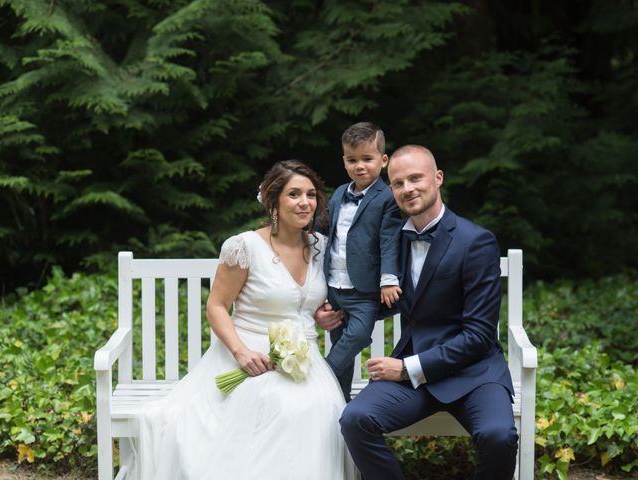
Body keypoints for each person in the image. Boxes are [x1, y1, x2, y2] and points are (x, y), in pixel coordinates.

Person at [135, 160, 357, 480]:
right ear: (273, 201)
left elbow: (304, 302)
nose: (305, 202)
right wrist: (241, 352)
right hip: (246, 355)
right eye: (294, 194)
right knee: (277, 407)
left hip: (304, 360)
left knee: (319, 411)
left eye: (310, 194)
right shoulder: (244, 247)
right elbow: (216, 306)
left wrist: (320, 314)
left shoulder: (321, 246)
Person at [319, 145, 518, 480]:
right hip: (414, 380)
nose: (407, 188)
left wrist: (406, 367)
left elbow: (480, 336)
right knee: (355, 420)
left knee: (499, 436)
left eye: (415, 178)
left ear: (437, 178)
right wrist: (337, 312)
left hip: (473, 374)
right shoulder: (394, 240)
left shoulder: (476, 241)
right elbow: (385, 298)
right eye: (398, 183)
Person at [321, 122, 403, 402]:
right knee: (339, 340)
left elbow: (389, 240)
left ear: (383, 160)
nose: (360, 166)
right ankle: (336, 402)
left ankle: (320, 376)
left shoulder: (387, 198)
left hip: (364, 290)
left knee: (356, 336)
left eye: (367, 159)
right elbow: (326, 231)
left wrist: (389, 278)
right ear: (344, 161)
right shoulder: (338, 193)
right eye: (352, 160)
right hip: (335, 284)